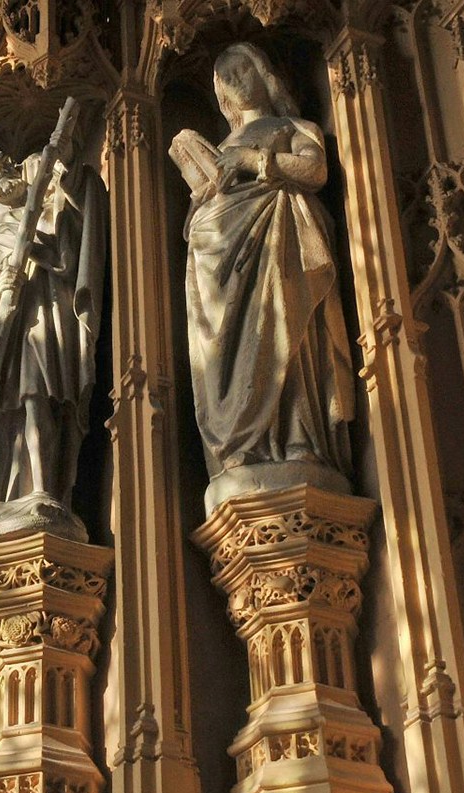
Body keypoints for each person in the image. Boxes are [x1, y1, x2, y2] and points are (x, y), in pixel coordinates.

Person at [173, 42, 355, 512]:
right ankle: (244, 450)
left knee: (284, 330)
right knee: (232, 350)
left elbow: (314, 170)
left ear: (264, 73)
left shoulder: (293, 127)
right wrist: (203, 195)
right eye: (224, 75)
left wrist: (256, 163)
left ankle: (297, 438)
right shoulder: (222, 145)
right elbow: (202, 209)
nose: (234, 80)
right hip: (220, 258)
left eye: (241, 68)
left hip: (277, 237)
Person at [0, 123, 105, 561]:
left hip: (40, 320)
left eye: (4, 163)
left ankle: (45, 489)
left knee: (39, 397)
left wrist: (62, 163)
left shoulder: (42, 213)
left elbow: (70, 248)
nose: (1, 169)